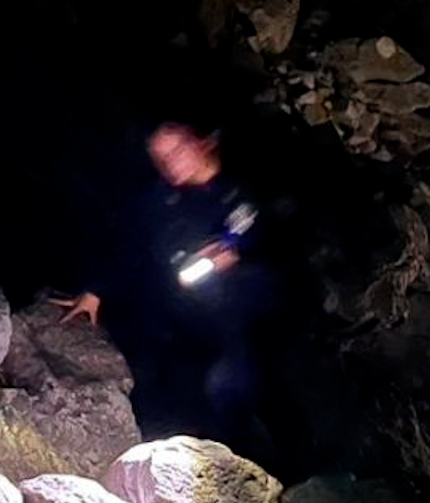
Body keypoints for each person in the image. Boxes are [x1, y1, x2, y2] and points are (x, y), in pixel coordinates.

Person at [52, 120, 280, 466]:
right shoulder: (159, 201)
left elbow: (259, 235)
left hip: (243, 323)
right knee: (173, 391)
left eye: (176, 151)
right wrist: (96, 292)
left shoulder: (241, 190)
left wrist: (232, 250)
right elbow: (128, 249)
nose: (171, 163)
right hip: (179, 323)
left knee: (231, 389)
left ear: (203, 143)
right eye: (162, 159)